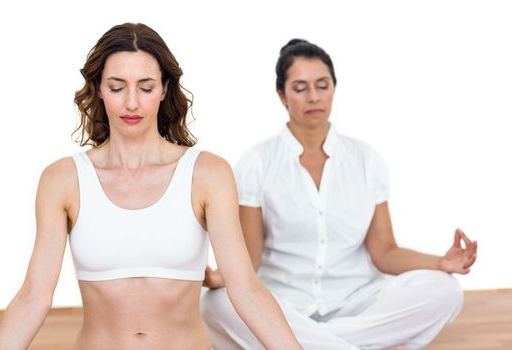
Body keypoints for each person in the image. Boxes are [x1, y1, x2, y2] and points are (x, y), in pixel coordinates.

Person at [0, 23, 302, 350]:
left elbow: (246, 290)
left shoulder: (208, 174)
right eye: (117, 86)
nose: (132, 103)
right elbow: (33, 297)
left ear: (165, 89)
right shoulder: (62, 180)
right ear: (97, 88)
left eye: (146, 87)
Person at [201, 39, 478, 350]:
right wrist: (220, 277)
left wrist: (442, 262)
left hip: (358, 303)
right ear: (282, 95)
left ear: (334, 88)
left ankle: (304, 344)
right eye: (300, 87)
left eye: (322, 85)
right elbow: (248, 257)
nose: (314, 97)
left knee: (446, 290)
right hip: (284, 304)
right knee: (214, 303)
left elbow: (384, 251)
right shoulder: (257, 162)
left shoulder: (366, 159)